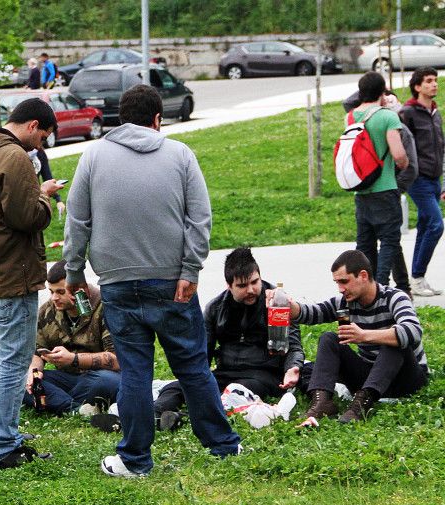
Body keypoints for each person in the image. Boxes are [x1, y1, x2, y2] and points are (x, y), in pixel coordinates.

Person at [64, 84, 241, 478]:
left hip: (117, 284)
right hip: (173, 283)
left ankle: (135, 460)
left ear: (119, 118)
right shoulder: (180, 154)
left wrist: (74, 272)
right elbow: (200, 219)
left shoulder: (92, 156)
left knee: (136, 373)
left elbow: (77, 220)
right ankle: (224, 446)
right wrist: (190, 270)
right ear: (157, 119)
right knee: (193, 366)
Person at [0, 98, 61, 468]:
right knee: (14, 361)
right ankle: (4, 444)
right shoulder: (14, 156)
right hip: (12, 271)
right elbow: (27, 216)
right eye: (43, 137)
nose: (41, 146)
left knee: (6, 355)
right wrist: (44, 197)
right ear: (32, 125)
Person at [140, 248, 302, 430]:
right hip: (225, 372)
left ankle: (182, 418)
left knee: (234, 392)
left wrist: (292, 368)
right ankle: (151, 416)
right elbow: (203, 352)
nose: (251, 290)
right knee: (176, 388)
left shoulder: (278, 303)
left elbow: (294, 345)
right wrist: (194, 380)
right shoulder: (216, 308)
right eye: (242, 286)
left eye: (255, 282)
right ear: (229, 285)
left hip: (263, 374)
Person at [278, 250, 427, 426]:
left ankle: (361, 404)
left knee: (394, 340)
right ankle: (321, 402)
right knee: (328, 338)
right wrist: (288, 305)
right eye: (337, 283)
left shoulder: (394, 297)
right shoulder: (344, 302)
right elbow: (312, 314)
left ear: (363, 275)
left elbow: (413, 331)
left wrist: (365, 336)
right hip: (371, 376)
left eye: (344, 281)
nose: (341, 289)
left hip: (406, 377)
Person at [27, 260, 120, 416]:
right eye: (51, 292)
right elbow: (37, 353)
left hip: (100, 376)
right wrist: (33, 372)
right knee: (21, 380)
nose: (54, 298)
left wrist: (73, 359)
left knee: (106, 383)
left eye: (61, 292)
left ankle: (56, 401)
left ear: (79, 290)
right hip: (67, 378)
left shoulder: (106, 307)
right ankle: (75, 409)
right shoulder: (47, 311)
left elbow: (117, 360)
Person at [350, 73, 411, 296]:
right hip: (385, 188)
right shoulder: (387, 116)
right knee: (389, 241)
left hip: (361, 190)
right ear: (382, 91)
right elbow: (398, 155)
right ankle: (381, 290)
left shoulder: (351, 116)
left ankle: (363, 289)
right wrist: (404, 163)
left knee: (365, 244)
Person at [400, 67, 445, 297]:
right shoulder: (408, 113)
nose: (434, 84)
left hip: (435, 180)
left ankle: (417, 278)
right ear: (418, 87)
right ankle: (417, 277)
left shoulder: (435, 113)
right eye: (429, 81)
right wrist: (409, 174)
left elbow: (442, 148)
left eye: (435, 80)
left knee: (426, 227)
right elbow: (402, 146)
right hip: (418, 180)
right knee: (437, 225)